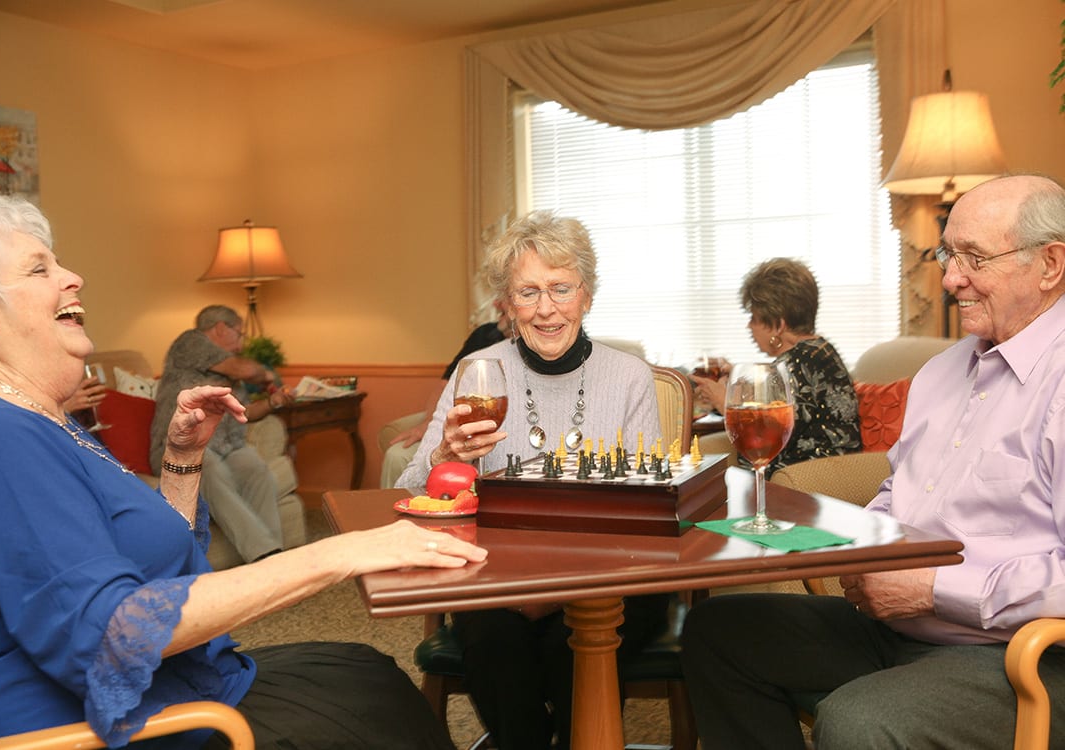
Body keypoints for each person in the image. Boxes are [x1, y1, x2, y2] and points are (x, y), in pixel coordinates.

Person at [0, 192, 488, 748]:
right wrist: (340, 553)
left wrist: (183, 459)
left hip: (191, 685)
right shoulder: (3, 433)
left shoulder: (48, 421)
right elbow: (111, 633)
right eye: (40, 268)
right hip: (129, 726)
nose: (73, 276)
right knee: (376, 716)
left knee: (370, 672)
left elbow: (156, 561)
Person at [678, 174, 1065, 749]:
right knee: (718, 631)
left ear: (1050, 264)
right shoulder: (941, 373)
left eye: (975, 258)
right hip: (898, 629)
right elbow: (897, 489)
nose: (951, 278)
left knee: (858, 720)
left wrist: (934, 590)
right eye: (948, 255)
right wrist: (866, 552)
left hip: (1020, 655)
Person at [397, 210, 669, 750]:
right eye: (528, 292)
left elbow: (645, 508)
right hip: (501, 579)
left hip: (606, 578)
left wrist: (561, 591)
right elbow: (410, 489)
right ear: (508, 303)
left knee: (575, 646)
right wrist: (446, 456)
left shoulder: (628, 376)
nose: (546, 309)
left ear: (586, 295)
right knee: (495, 642)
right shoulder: (476, 371)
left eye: (560, 288)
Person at [690, 257, 861, 477]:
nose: (749, 326)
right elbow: (774, 402)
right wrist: (736, 380)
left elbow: (763, 438)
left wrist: (725, 402)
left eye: (754, 318)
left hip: (810, 477)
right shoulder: (816, 351)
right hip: (817, 472)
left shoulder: (797, 364)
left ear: (779, 324)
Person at [151, 305, 293, 563]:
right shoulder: (190, 342)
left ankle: (276, 560)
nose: (241, 343)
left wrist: (273, 402)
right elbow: (250, 371)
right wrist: (266, 374)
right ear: (220, 328)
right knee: (210, 468)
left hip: (227, 446)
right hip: (181, 446)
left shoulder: (229, 369)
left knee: (256, 470)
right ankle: (265, 554)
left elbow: (245, 411)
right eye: (239, 334)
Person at [380, 297, 510, 487]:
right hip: (459, 415)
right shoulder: (482, 337)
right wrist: (428, 424)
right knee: (397, 455)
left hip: (486, 419)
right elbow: (445, 386)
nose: (495, 304)